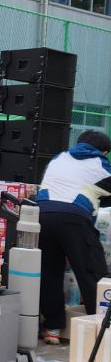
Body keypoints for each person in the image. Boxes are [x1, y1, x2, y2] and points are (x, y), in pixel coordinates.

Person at [36, 129, 111, 343]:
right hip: (74, 218)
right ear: (104, 152)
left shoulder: (58, 158)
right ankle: (101, 331)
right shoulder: (101, 164)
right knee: (92, 272)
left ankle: (52, 329)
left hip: (41, 215)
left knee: (49, 274)